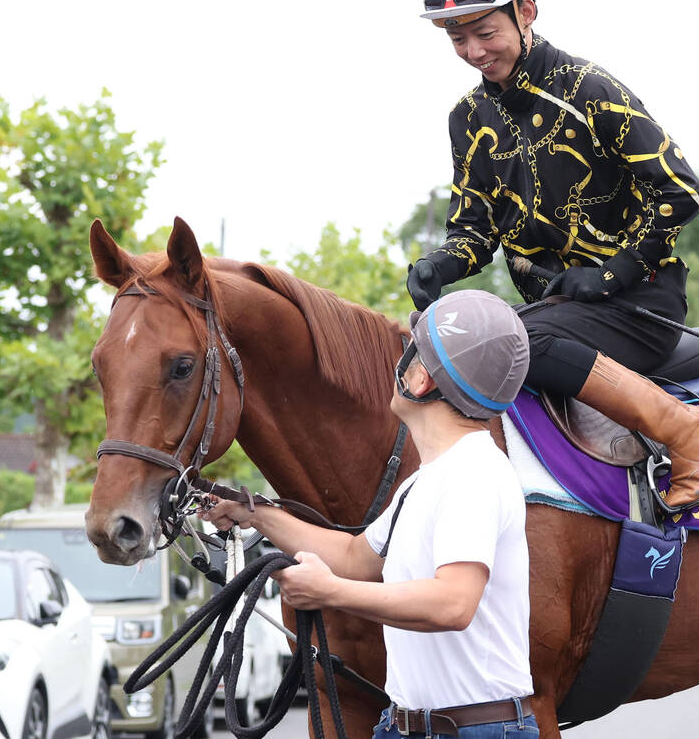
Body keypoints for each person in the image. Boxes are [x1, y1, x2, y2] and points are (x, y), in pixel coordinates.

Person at [408, 0, 699, 510]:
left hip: (639, 302)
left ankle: (687, 429)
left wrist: (612, 273)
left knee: (513, 346)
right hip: (558, 309)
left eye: (485, 34)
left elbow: (682, 190)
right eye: (458, 40)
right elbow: (473, 228)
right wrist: (441, 265)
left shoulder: (590, 88)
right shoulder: (466, 117)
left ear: (526, 13)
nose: (473, 52)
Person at [202, 289, 538, 738]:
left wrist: (329, 592)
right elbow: (355, 555)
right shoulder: (425, 481)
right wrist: (256, 515)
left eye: (411, 354)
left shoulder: (471, 472)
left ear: (420, 381)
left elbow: (453, 603)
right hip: (414, 726)